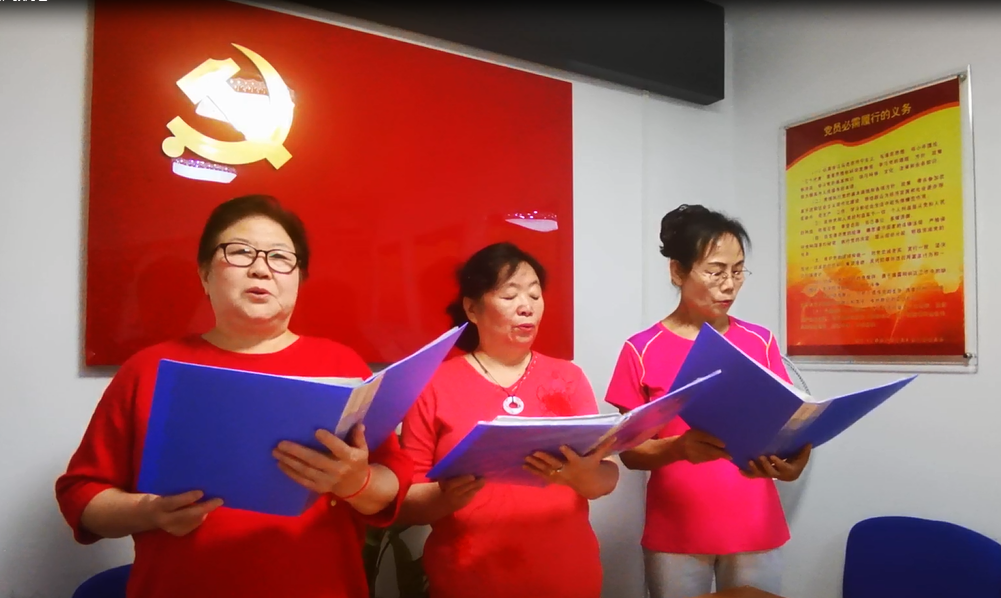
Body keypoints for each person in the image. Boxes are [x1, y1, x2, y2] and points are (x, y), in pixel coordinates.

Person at [55, 195, 412, 598]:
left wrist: (357, 483)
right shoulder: (149, 368)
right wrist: (148, 511)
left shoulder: (343, 367)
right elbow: (81, 496)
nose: (261, 268)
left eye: (280, 257)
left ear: (298, 278)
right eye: (240, 252)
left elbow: (393, 483)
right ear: (205, 274)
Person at [605, 204, 811, 598]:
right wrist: (679, 448)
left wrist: (796, 458)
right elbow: (630, 453)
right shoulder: (641, 350)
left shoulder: (760, 341)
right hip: (677, 528)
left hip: (756, 523)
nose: (729, 285)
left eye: (738, 271)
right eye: (716, 272)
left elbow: (787, 421)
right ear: (677, 271)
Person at [397, 242, 619, 598]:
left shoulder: (569, 378)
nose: (526, 306)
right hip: (470, 578)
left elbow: (605, 479)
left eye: (534, 294)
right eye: (510, 295)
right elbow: (405, 502)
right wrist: (445, 497)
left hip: (567, 575)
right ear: (472, 308)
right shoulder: (432, 385)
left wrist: (581, 476)